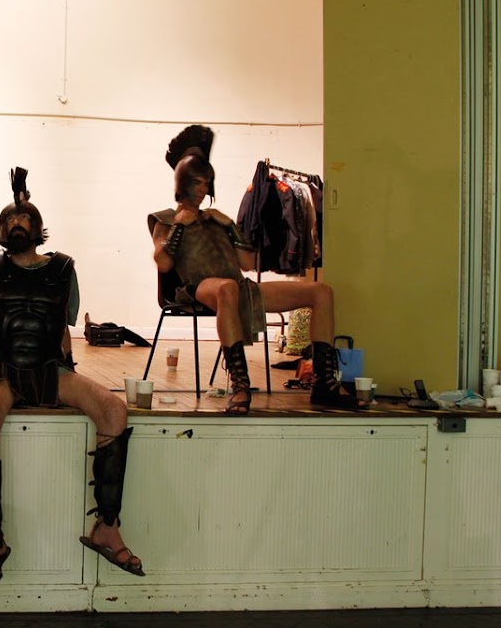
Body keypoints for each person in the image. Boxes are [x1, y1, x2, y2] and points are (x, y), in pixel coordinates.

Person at [0, 168, 144, 593]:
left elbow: (62, 327)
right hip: (1, 366)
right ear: (1, 231)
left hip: (48, 366)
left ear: (38, 228)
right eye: (8, 220)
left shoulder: (63, 270)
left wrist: (71, 373)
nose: (16, 224)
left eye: (23, 219)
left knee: (113, 409)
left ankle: (107, 526)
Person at [150, 125, 366, 415]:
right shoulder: (164, 220)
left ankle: (324, 385)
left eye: (207, 183)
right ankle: (240, 384)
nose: (202, 189)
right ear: (184, 183)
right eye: (198, 182)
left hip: (238, 286)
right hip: (197, 288)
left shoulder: (216, 221)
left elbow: (247, 264)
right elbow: (163, 263)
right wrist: (179, 227)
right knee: (227, 288)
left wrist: (230, 226)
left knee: (321, 291)